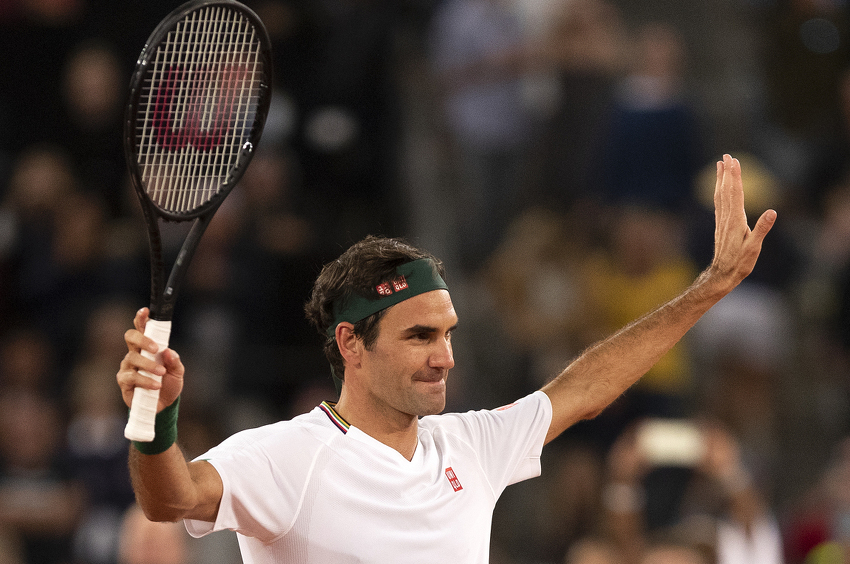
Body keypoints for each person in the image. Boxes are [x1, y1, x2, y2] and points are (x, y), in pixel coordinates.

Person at [115, 154, 775, 563]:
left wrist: (709, 288)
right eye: (419, 337)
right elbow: (169, 500)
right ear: (352, 345)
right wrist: (156, 421)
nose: (446, 358)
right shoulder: (288, 456)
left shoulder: (470, 445)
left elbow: (586, 388)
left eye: (448, 333)